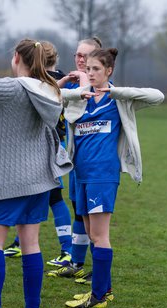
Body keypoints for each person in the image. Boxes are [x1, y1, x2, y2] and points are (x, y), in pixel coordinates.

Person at [0, 38, 72, 308]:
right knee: (31, 244)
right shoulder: (50, 90)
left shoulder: (14, 88)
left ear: (17, 57)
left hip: (9, 180)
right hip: (40, 180)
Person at [61, 47, 165, 308]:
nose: (91, 73)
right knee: (89, 231)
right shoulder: (80, 98)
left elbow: (157, 96)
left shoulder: (117, 100)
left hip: (102, 175)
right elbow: (51, 96)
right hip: (80, 174)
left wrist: (115, 91)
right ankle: (103, 290)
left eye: (96, 69)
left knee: (99, 235)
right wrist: (73, 89)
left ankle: (98, 296)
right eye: (88, 69)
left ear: (109, 71)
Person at [4, 42, 73, 268]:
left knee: (48, 197)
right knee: (39, 195)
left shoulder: (40, 82)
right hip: (53, 143)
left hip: (44, 144)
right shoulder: (60, 78)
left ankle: (67, 249)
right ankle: (19, 242)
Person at [46, 37, 102, 284]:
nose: (79, 60)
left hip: (98, 168)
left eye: (85, 56)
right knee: (79, 211)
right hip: (76, 163)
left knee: (92, 218)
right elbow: (48, 96)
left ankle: (97, 276)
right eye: (77, 55)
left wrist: (82, 81)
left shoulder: (103, 91)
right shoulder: (72, 89)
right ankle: (76, 263)